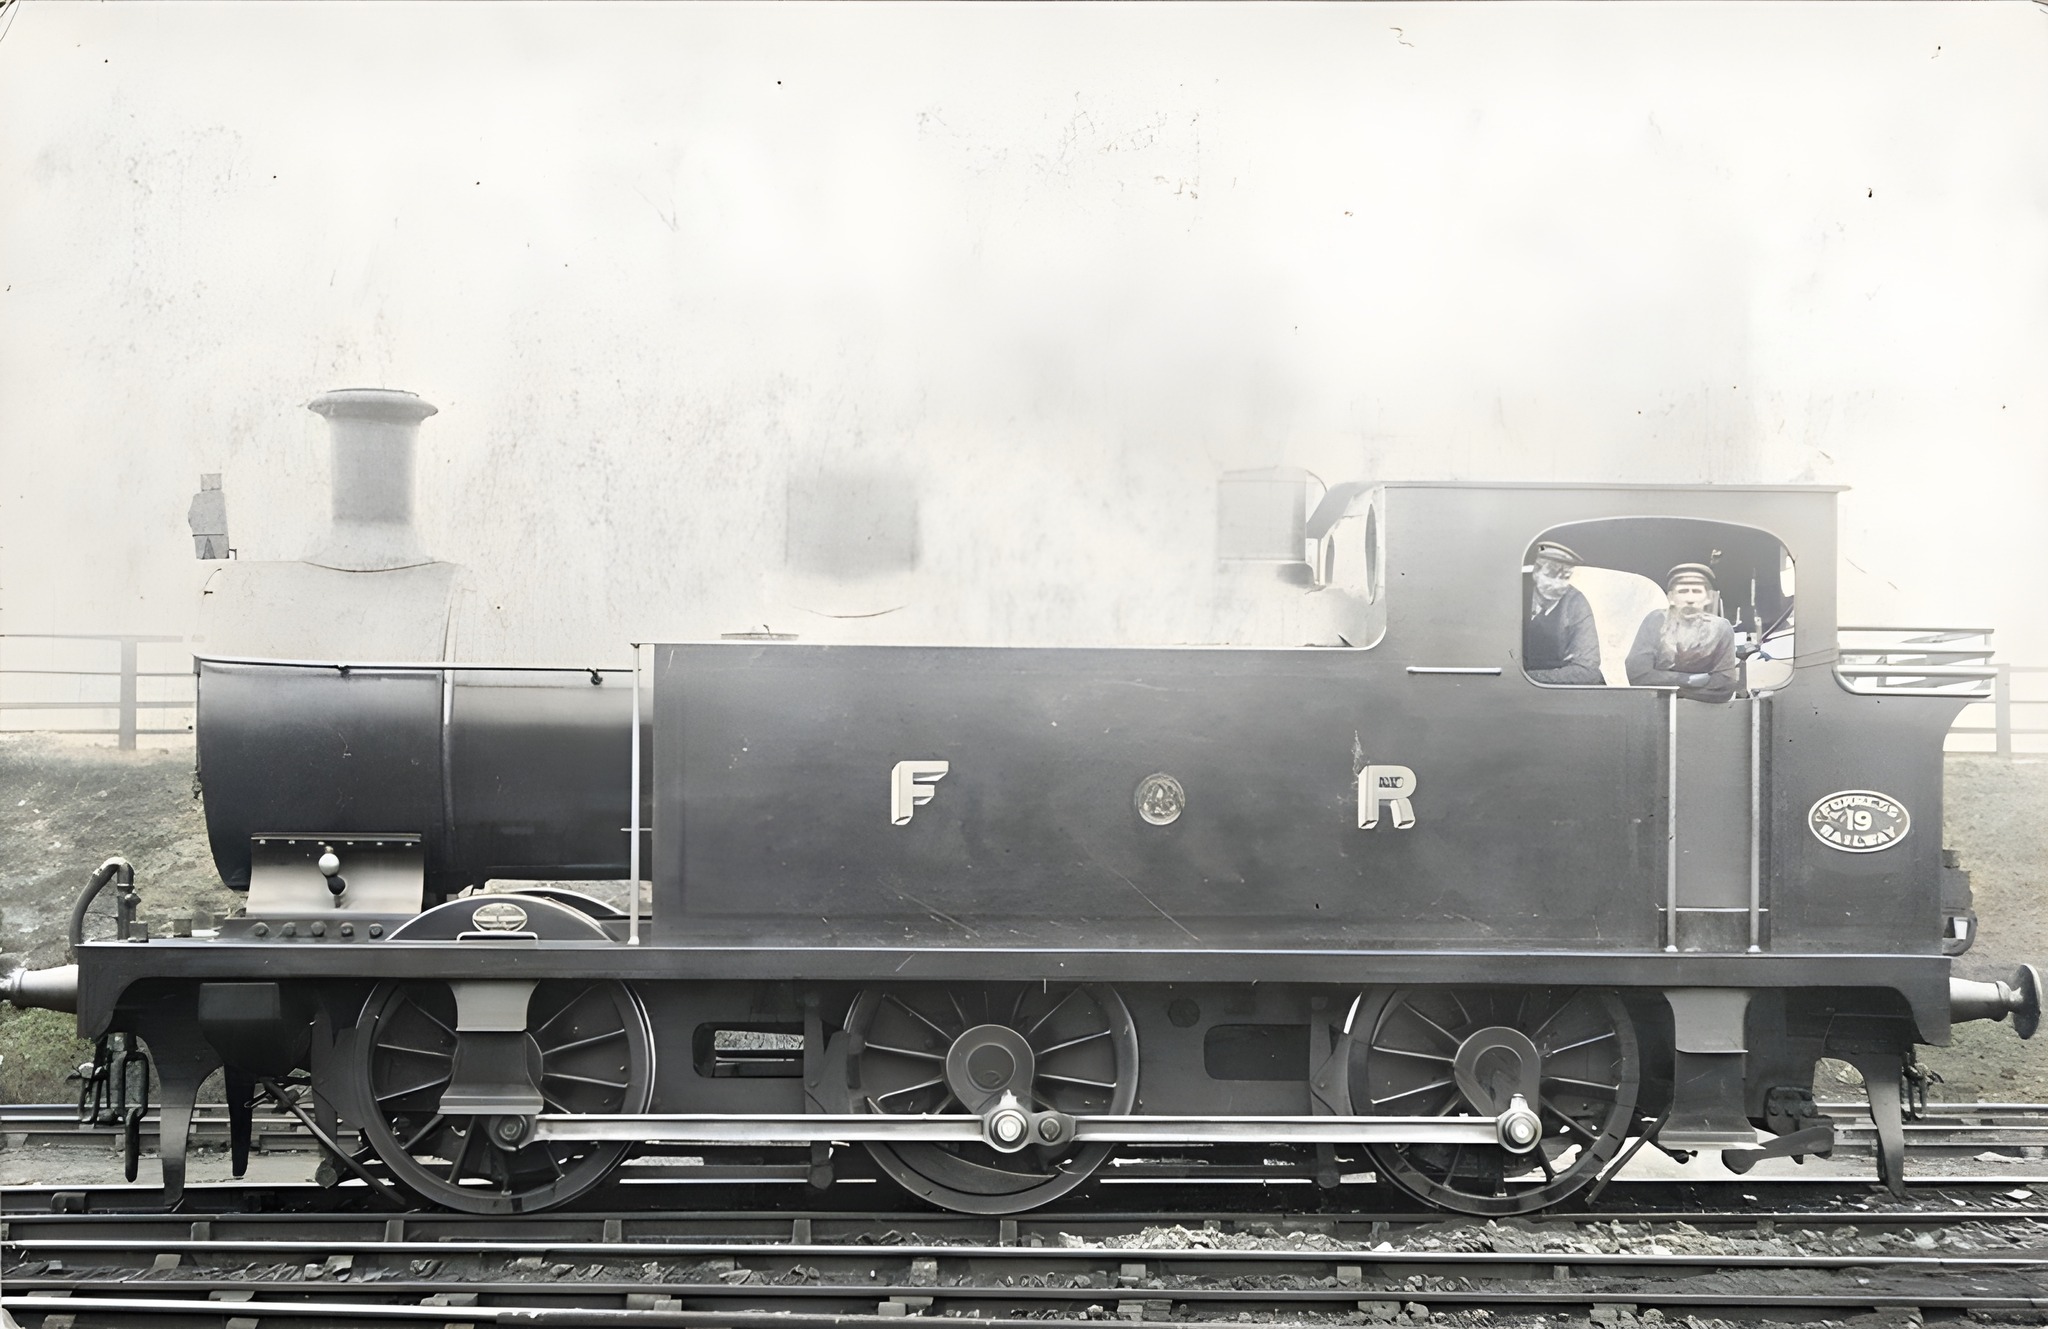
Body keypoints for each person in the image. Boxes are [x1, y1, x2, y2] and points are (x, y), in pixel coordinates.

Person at [1626, 563, 1738, 703]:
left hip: (1706, 714)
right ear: (1671, 597)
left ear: (1708, 597)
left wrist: (1672, 689)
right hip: (1657, 708)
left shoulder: (1721, 628)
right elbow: (1638, 675)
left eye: (1696, 591)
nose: (1690, 599)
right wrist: (1688, 680)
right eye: (1683, 591)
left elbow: (1725, 685)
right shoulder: (1655, 622)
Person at [1523, 541, 1604, 685]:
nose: (1557, 585)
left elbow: (1587, 670)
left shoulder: (1576, 603)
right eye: (1550, 574)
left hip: (1562, 692)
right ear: (1536, 572)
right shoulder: (1517, 595)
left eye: (1565, 577)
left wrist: (1528, 679)